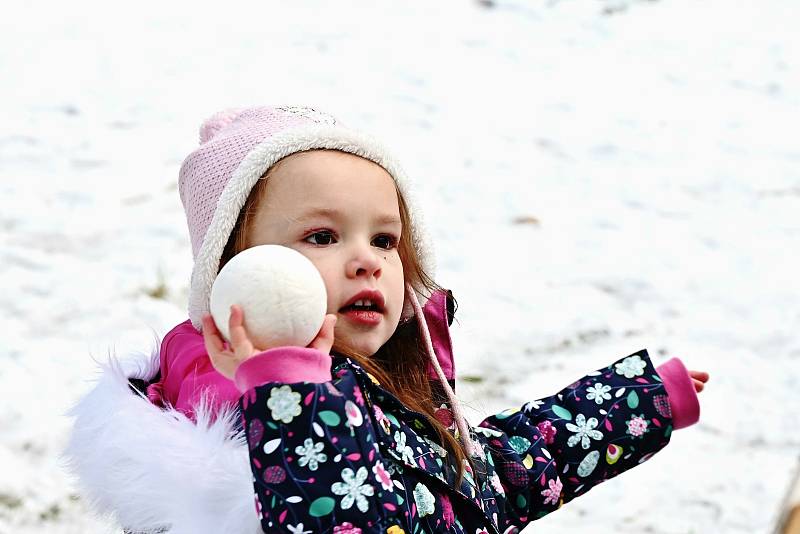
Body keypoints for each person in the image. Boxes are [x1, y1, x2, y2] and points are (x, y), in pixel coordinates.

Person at [66, 106, 709, 534]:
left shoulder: (368, 389)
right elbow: (342, 515)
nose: (366, 262)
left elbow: (482, 487)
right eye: (321, 236)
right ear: (233, 271)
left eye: (384, 239)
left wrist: (635, 403)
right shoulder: (239, 420)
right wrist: (290, 391)